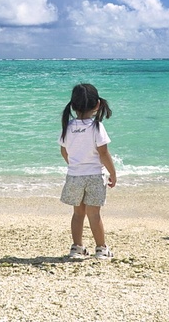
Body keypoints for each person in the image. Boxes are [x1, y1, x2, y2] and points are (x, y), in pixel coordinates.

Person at [59, 83, 117, 260]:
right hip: (94, 176)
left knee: (78, 214)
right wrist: (113, 173)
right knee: (94, 214)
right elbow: (103, 153)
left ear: (73, 106)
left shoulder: (68, 126)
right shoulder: (97, 127)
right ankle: (101, 249)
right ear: (97, 105)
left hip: (74, 176)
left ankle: (77, 248)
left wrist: (74, 165)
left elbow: (64, 150)